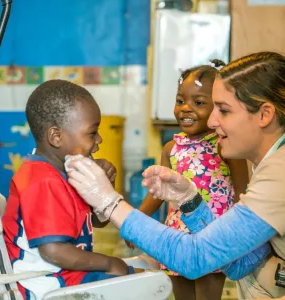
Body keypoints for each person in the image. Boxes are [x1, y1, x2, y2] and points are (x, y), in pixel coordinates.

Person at [66, 52, 285, 299]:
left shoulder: (280, 174)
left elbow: (196, 257)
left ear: (265, 115)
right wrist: (191, 201)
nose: (212, 121)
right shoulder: (270, 164)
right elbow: (242, 260)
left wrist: (109, 203)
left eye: (223, 110)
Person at [126, 60, 249, 300]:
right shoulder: (171, 148)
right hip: (178, 237)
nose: (186, 108)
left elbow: (243, 192)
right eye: (180, 101)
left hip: (213, 237)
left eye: (199, 103)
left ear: (218, 107)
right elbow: (158, 193)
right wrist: (135, 222)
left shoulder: (226, 146)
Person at [2, 80, 135, 300]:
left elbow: (97, 221)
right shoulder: (43, 181)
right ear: (56, 137)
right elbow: (54, 251)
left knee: (144, 276)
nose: (100, 140)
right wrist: (109, 262)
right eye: (92, 133)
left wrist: (103, 187)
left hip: (63, 275)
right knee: (146, 283)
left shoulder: (63, 172)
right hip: (49, 284)